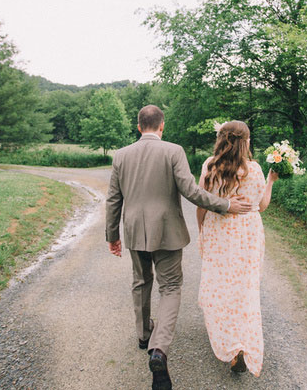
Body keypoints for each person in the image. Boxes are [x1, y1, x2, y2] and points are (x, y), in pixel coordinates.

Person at [105, 105, 252, 390]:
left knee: (141, 281)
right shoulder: (174, 151)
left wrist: (113, 234)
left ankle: (143, 335)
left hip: (134, 229)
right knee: (170, 287)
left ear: (138, 127)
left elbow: (113, 198)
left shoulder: (121, 156)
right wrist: (225, 205)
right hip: (168, 230)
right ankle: (158, 350)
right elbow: (191, 191)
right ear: (162, 126)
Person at [196, 120, 279, 377]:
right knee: (245, 288)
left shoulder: (211, 166)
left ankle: (230, 342)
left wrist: (201, 228)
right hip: (249, 235)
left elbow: (202, 203)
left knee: (220, 285)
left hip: (220, 231)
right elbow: (261, 206)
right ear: (246, 142)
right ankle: (242, 343)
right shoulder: (254, 170)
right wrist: (271, 180)